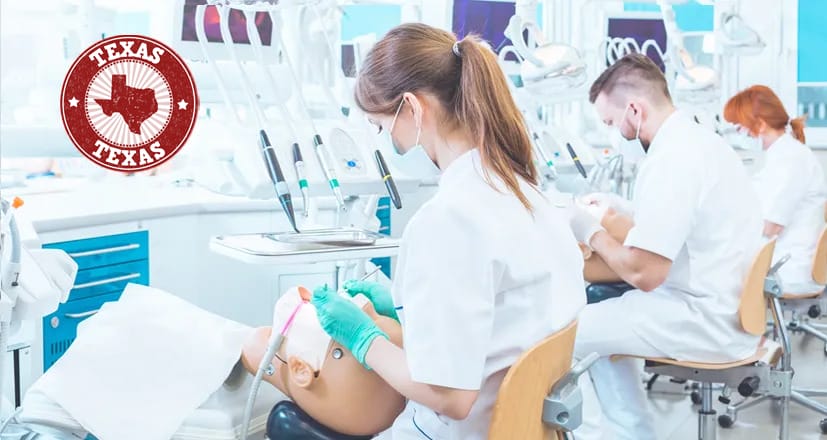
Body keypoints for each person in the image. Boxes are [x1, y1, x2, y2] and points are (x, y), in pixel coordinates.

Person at [306, 23, 587, 439]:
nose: (386, 142)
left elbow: (451, 397)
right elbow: (497, 331)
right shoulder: (530, 196)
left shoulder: (448, 220)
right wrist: (403, 310)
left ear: (412, 108)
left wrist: (364, 339)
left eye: (381, 126)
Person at [569, 53, 764, 440]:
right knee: (600, 315)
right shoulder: (699, 143)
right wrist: (619, 211)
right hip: (725, 310)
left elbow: (644, 273)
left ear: (635, 110)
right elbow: (675, 230)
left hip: (700, 319)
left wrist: (589, 231)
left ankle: (606, 434)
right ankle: (634, 431)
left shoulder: (672, 159)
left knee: (559, 338)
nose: (613, 134)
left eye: (610, 123)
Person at [724, 85, 827, 295]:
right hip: (785, 259)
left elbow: (771, 226)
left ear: (761, 124)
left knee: (710, 276)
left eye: (740, 127)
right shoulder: (782, 156)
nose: (739, 134)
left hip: (790, 269)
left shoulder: (790, 159)